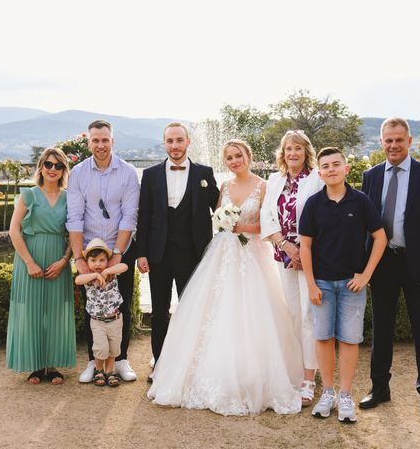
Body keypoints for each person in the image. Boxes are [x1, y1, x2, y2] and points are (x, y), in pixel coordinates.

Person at [147, 139, 303, 415]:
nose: (234, 161)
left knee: (255, 312)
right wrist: (224, 222)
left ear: (248, 156)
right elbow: (217, 217)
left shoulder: (264, 186)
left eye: (238, 155)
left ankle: (254, 374)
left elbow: (269, 224)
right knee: (216, 309)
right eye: (229, 157)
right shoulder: (223, 186)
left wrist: (244, 225)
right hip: (224, 252)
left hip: (254, 254)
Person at [359, 117, 420, 420]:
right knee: (381, 330)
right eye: (388, 140)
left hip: (418, 266)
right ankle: (379, 388)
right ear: (382, 142)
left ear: (410, 142)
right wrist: (365, 269)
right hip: (382, 265)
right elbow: (364, 227)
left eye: (399, 140)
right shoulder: (370, 176)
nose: (393, 145)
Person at [299, 147, 387, 422]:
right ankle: (328, 393)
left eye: (336, 164)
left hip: (351, 285)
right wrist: (311, 285)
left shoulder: (361, 202)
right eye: (325, 166)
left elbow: (380, 238)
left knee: (349, 340)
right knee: (323, 337)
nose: (331, 169)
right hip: (322, 284)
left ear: (346, 169)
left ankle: (345, 395)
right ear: (320, 172)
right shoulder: (313, 204)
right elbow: (305, 246)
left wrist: (366, 275)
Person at [136, 122, 220, 382]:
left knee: (191, 310)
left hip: (193, 254)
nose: (175, 146)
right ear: (164, 143)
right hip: (158, 254)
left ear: (188, 142)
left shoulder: (204, 173)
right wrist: (141, 253)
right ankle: (160, 364)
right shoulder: (150, 175)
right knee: (160, 312)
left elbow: (220, 208)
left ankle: (190, 365)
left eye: (179, 140)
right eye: (170, 141)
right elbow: (144, 217)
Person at [67, 120, 140, 383]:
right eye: (95, 140)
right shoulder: (77, 173)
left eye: (105, 140)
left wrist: (117, 255)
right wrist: (79, 259)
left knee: (124, 302)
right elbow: (74, 217)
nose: (100, 145)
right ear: (89, 142)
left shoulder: (129, 172)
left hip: (120, 248)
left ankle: (121, 360)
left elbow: (129, 217)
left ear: (112, 141)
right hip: (89, 250)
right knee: (91, 306)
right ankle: (93, 361)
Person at [260, 130, 323, 406]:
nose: (293, 153)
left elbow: (323, 216)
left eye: (298, 148)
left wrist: (303, 250)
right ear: (282, 153)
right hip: (284, 256)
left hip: (312, 257)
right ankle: (299, 370)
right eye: (288, 149)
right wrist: (286, 246)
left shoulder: (317, 179)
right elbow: (266, 217)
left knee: (310, 315)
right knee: (293, 315)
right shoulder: (275, 180)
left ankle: (310, 379)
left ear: (306, 151)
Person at [6, 147, 75, 384]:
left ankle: (52, 366)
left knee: (56, 311)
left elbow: (74, 233)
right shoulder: (29, 195)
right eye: (49, 164)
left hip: (58, 258)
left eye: (58, 165)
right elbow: (14, 230)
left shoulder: (70, 196)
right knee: (32, 311)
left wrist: (65, 260)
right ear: (41, 167)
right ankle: (35, 365)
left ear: (64, 169)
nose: (53, 169)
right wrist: (29, 262)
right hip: (30, 257)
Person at [75, 238, 129, 388]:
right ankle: (98, 370)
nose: (97, 264)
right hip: (97, 321)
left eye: (101, 260)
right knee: (100, 348)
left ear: (107, 260)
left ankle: (109, 371)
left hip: (115, 319)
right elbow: (78, 280)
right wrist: (95, 275)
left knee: (113, 348)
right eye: (93, 260)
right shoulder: (88, 277)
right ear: (87, 262)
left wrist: (107, 271)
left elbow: (124, 266)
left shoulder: (112, 274)